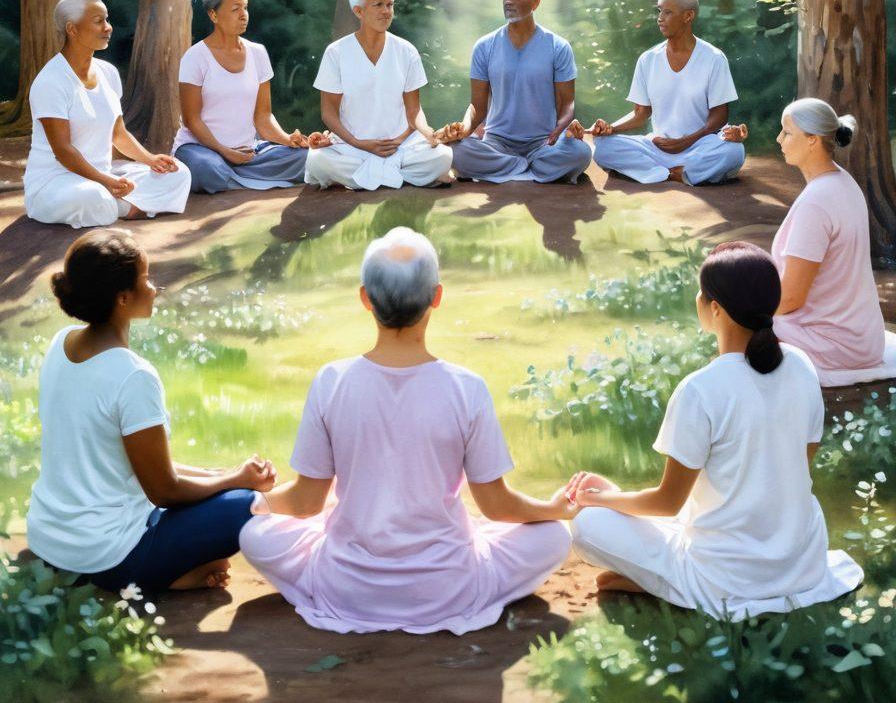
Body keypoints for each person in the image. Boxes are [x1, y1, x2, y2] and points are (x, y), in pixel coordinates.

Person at [239, 227, 573, 633]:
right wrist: (553, 509)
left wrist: (259, 501)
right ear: (437, 296)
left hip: (348, 586)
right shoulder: (466, 387)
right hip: (448, 586)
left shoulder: (332, 380)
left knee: (255, 533)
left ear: (365, 298)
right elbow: (496, 507)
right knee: (555, 537)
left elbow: (308, 502)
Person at [568, 241, 862, 620]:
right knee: (686, 509)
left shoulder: (700, 389)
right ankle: (661, 577)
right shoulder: (802, 365)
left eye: (701, 294)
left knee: (587, 525)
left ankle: (668, 584)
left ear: (715, 309)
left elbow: (667, 503)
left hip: (728, 577)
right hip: (799, 563)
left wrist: (599, 500)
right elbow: (795, 471)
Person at [27, 230, 277, 592]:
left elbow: (134, 468)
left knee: (217, 491)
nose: (154, 287)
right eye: (146, 278)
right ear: (123, 297)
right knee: (250, 505)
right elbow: (164, 491)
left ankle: (178, 568)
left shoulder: (60, 344)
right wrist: (236, 481)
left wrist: (223, 472)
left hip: (49, 542)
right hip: (106, 558)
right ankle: (164, 576)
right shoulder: (133, 376)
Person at [24, 0, 191, 228]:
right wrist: (107, 181)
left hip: (104, 173)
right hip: (57, 182)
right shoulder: (50, 81)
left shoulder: (108, 73)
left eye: (107, 20)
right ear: (72, 29)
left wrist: (150, 159)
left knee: (179, 174)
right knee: (93, 197)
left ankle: (117, 205)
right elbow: (63, 150)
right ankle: (126, 208)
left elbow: (118, 134)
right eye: (98, 21)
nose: (108, 28)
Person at [569, 0, 746, 185]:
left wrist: (685, 142)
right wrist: (610, 128)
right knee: (603, 146)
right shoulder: (648, 59)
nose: (660, 18)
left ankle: (658, 171)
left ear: (688, 16)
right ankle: (675, 173)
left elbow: (720, 116)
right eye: (659, 11)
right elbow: (640, 113)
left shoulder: (713, 58)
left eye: (668, 12)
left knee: (733, 151)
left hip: (699, 145)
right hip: (656, 146)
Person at [173, 0, 329, 193]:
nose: (243, 14)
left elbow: (263, 117)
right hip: (202, 149)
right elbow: (192, 120)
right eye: (235, 9)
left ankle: (234, 179)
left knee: (307, 157)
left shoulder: (258, 53)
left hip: (248, 151)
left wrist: (288, 140)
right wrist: (225, 151)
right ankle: (238, 176)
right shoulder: (195, 57)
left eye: (245, 7)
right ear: (213, 15)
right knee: (206, 169)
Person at [771, 99, 888, 385]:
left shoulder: (816, 202)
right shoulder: (843, 182)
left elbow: (791, 298)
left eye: (787, 132)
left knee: (738, 319)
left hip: (836, 345)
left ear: (812, 140)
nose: (778, 139)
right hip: (863, 339)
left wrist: (746, 312)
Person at [436, 0, 592, 183]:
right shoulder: (484, 46)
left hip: (543, 142)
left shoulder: (558, 46)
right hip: (496, 142)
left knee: (581, 153)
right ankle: (527, 167)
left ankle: (512, 167)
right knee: (456, 151)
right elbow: (477, 106)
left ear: (535, 3)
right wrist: (464, 129)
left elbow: (567, 103)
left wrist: (561, 128)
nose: (509, 1)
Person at [303, 0, 453, 191]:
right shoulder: (336, 53)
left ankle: (366, 176)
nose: (386, 11)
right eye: (378, 5)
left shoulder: (406, 51)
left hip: (400, 145)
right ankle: (398, 175)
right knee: (317, 160)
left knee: (442, 156)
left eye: (390, 4)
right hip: (353, 147)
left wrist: (428, 133)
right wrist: (359, 143)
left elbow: (414, 110)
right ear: (358, 11)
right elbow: (329, 113)